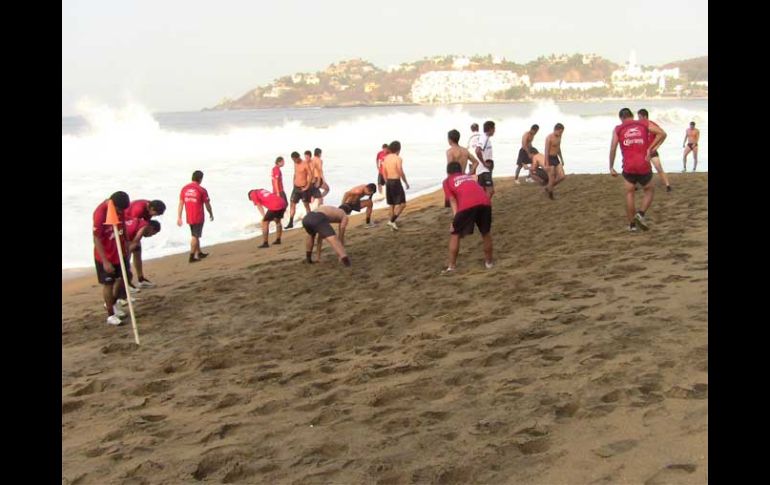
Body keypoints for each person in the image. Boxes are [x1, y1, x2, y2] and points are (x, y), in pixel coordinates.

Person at [609, 107, 667, 232]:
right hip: (643, 164)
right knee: (649, 190)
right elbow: (662, 133)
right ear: (632, 115)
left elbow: (613, 147)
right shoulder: (643, 123)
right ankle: (640, 214)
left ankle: (632, 226)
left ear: (621, 118)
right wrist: (651, 148)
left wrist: (611, 166)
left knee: (630, 193)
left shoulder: (618, 128)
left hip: (628, 166)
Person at [442, 162, 493, 273]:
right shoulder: (468, 177)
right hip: (485, 202)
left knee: (454, 234)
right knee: (485, 233)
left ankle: (451, 267)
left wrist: (455, 220)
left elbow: (452, 200)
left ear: (448, 173)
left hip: (468, 205)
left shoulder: (447, 181)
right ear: (461, 171)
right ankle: (489, 263)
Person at [93, 191, 131, 326]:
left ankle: (112, 303)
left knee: (125, 278)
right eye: (119, 209)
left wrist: (127, 243)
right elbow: (96, 237)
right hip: (106, 254)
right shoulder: (100, 213)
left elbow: (123, 226)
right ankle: (110, 314)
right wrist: (105, 261)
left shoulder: (119, 210)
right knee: (108, 283)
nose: (120, 211)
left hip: (119, 252)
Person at [124, 199, 166, 288]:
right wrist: (133, 242)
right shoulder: (138, 210)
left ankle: (141, 279)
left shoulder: (149, 209)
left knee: (138, 251)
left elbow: (145, 224)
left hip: (133, 227)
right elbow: (132, 224)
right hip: (125, 227)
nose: (155, 216)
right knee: (128, 253)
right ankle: (126, 282)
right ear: (152, 208)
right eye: (156, 214)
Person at [177, 170, 213, 263]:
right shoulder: (201, 190)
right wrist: (211, 213)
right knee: (195, 236)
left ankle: (199, 252)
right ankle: (192, 256)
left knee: (194, 234)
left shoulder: (184, 188)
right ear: (200, 179)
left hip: (189, 216)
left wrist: (179, 217)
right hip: (198, 216)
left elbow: (181, 203)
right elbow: (207, 204)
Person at [637, 109, 671, 192]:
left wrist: (657, 146)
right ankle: (635, 185)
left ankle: (668, 185)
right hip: (642, 151)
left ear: (645, 116)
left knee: (658, 168)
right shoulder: (640, 125)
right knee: (637, 168)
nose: (638, 119)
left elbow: (664, 134)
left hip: (651, 150)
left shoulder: (652, 125)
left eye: (640, 117)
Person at [124, 218, 161, 289]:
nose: (151, 236)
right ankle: (126, 285)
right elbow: (132, 246)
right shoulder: (144, 227)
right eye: (153, 233)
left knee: (136, 248)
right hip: (118, 237)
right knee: (125, 261)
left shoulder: (139, 222)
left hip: (121, 234)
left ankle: (139, 280)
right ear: (151, 228)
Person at [382, 140, 410, 230]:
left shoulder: (386, 158)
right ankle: (392, 221)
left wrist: (386, 181)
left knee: (392, 204)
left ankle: (392, 225)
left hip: (388, 182)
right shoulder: (398, 158)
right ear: (398, 149)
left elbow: (383, 171)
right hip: (396, 182)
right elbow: (400, 171)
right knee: (403, 204)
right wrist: (405, 182)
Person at [285, 151, 313, 229]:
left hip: (303, 188)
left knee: (306, 205)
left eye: (295, 160)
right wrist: (293, 182)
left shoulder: (305, 164)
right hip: (296, 188)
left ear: (298, 157)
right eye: (293, 160)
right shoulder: (295, 163)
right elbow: (295, 173)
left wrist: (307, 186)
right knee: (292, 204)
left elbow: (310, 175)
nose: (294, 161)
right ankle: (290, 222)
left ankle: (311, 221)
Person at [543, 123, 566, 199]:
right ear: (555, 130)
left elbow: (558, 148)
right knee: (551, 177)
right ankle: (551, 195)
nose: (561, 133)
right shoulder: (549, 138)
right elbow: (546, 152)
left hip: (556, 158)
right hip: (549, 158)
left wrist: (561, 159)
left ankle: (548, 187)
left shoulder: (560, 136)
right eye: (560, 132)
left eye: (562, 132)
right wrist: (546, 164)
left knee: (562, 176)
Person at [474, 120, 495, 198]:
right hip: (484, 170)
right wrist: (484, 163)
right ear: (490, 129)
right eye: (494, 128)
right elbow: (477, 151)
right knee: (490, 191)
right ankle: (485, 207)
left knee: (484, 191)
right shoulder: (484, 138)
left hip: (483, 170)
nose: (494, 131)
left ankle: (483, 207)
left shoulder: (486, 138)